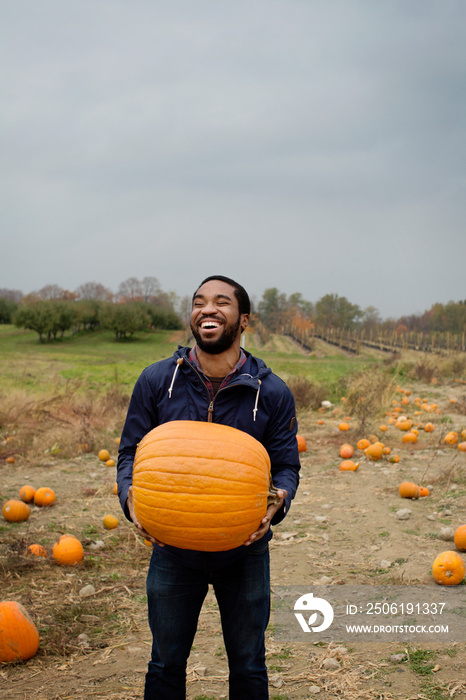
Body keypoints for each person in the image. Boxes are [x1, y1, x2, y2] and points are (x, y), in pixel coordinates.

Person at [117, 275, 300, 700]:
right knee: (164, 664)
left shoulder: (271, 392)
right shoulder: (156, 380)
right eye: (199, 302)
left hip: (244, 549)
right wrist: (131, 499)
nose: (208, 309)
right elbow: (129, 453)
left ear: (244, 320)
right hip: (173, 549)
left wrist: (279, 501)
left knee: (250, 665)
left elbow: (286, 467)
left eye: (222, 302)